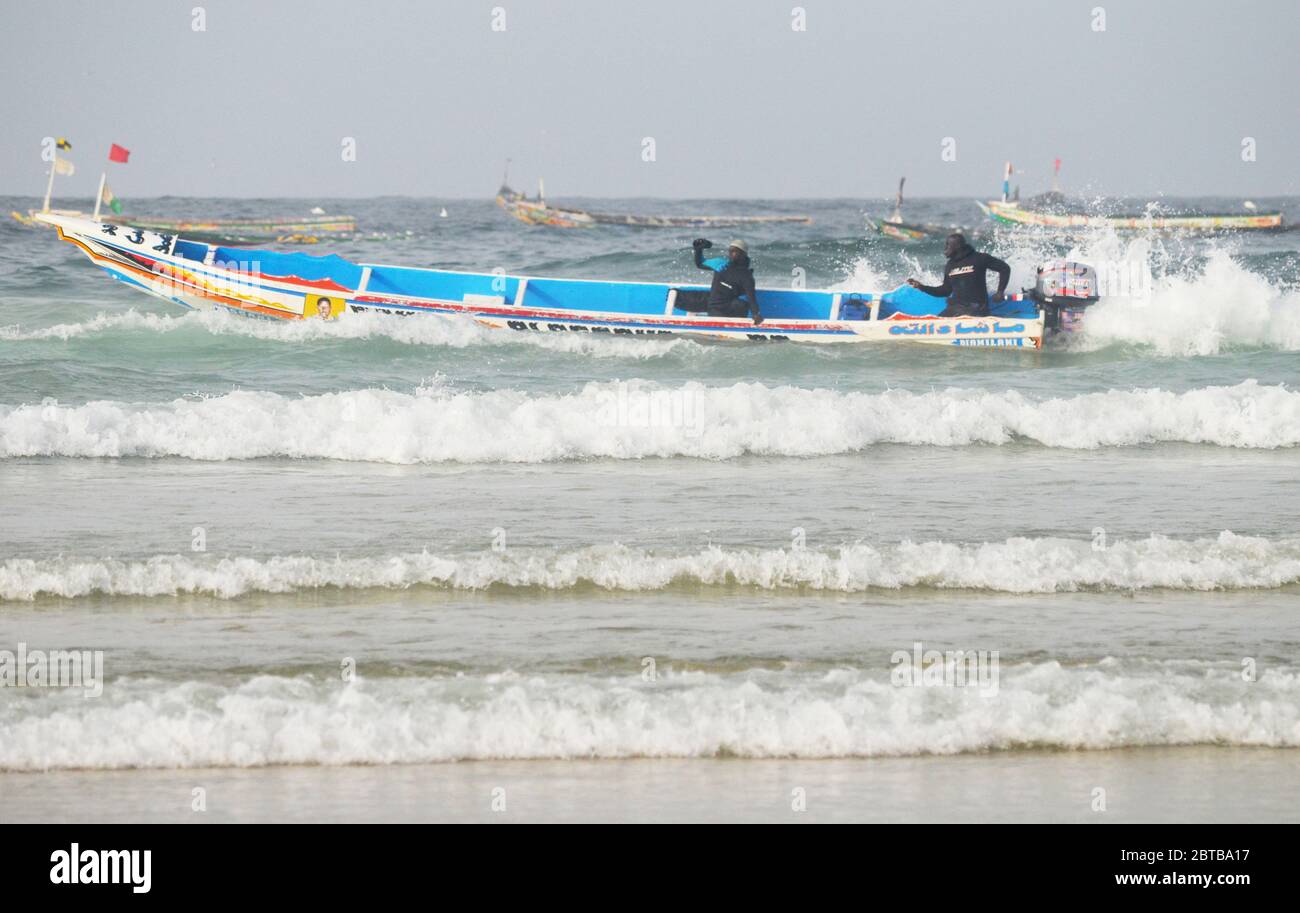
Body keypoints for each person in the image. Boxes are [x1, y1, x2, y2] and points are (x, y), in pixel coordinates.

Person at [907, 233, 1010, 317]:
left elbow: (1004, 268)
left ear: (957, 247)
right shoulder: (950, 265)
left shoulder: (979, 258)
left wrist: (1000, 291)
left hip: (977, 308)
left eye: (948, 245)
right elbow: (945, 290)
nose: (945, 248)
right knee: (936, 322)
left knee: (965, 314)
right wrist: (921, 287)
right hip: (955, 308)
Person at [673, 238, 763, 324]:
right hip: (712, 303)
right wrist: (698, 249)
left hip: (727, 308)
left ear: (743, 254)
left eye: (735, 251)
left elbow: (751, 297)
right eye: (730, 251)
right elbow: (700, 264)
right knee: (676, 294)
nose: (731, 254)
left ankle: (733, 327)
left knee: (742, 305)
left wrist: (756, 314)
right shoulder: (721, 264)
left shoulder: (746, 276)